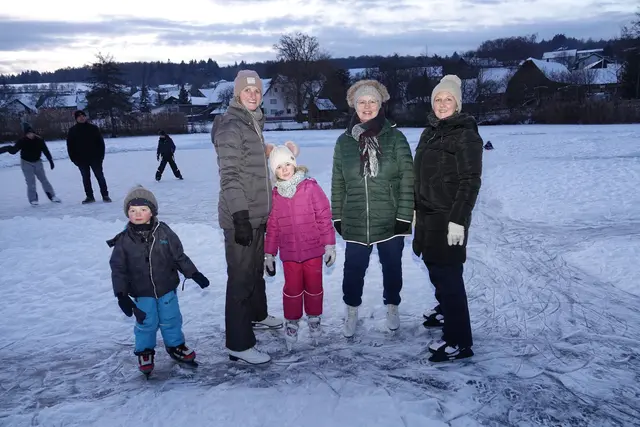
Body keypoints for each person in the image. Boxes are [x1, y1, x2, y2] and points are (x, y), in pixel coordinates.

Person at [331, 79, 414, 338]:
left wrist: (404, 216)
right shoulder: (344, 142)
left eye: (372, 101)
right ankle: (351, 310)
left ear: (380, 105)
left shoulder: (396, 138)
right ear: (354, 106)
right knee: (353, 270)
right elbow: (338, 182)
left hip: (390, 218)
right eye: (362, 102)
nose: (367, 107)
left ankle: (392, 306)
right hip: (355, 218)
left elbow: (408, 179)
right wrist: (337, 216)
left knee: (392, 267)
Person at [212, 70, 283, 365]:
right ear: (237, 94)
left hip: (256, 214)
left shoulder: (252, 122)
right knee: (240, 278)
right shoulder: (232, 126)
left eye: (257, 91)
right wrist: (240, 216)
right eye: (247, 91)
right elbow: (229, 176)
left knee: (254, 271)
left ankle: (257, 315)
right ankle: (238, 344)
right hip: (240, 217)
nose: (253, 95)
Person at [413, 75, 483, 362]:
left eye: (448, 99)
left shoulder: (466, 134)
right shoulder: (430, 132)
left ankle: (459, 341)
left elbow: (470, 181)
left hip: (448, 217)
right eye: (438, 99)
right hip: (427, 216)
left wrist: (458, 220)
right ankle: (445, 311)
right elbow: (420, 174)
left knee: (449, 276)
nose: (442, 104)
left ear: (458, 104)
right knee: (435, 269)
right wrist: (415, 208)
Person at [107, 185, 210, 376]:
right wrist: (121, 294)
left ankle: (176, 345)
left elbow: (179, 256)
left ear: (152, 211)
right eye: (132, 210)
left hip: (166, 288)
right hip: (141, 291)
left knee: (171, 319)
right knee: (146, 322)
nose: (138, 214)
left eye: (143, 209)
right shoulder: (123, 240)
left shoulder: (164, 233)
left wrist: (194, 274)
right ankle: (145, 351)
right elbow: (118, 269)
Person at [264, 142, 336, 350]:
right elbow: (273, 227)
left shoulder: (310, 187)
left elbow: (324, 217)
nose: (284, 169)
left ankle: (314, 319)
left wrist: (329, 245)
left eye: (287, 164)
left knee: (314, 288)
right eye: (279, 167)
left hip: (313, 251)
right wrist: (269, 254)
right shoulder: (275, 195)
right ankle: (292, 321)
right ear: (274, 171)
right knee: (292, 290)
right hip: (290, 254)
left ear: (294, 163)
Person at [3, 123, 60, 206]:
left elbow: (45, 150)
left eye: (31, 133)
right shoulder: (22, 141)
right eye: (28, 134)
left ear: (34, 133)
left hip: (38, 162)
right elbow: (14, 151)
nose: (30, 135)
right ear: (25, 134)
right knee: (31, 182)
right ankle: (33, 200)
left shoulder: (39, 140)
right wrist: (6, 148)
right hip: (26, 163)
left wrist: (50, 160)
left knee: (44, 180)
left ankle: (52, 196)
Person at [66, 110, 111, 204]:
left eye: (83, 115)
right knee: (86, 178)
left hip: (95, 158)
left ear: (86, 117)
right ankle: (89, 196)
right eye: (79, 116)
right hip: (81, 160)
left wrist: (100, 157)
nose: (81, 117)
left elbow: (101, 144)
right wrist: (74, 159)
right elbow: (70, 146)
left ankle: (105, 195)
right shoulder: (72, 130)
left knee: (100, 176)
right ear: (76, 118)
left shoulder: (93, 128)